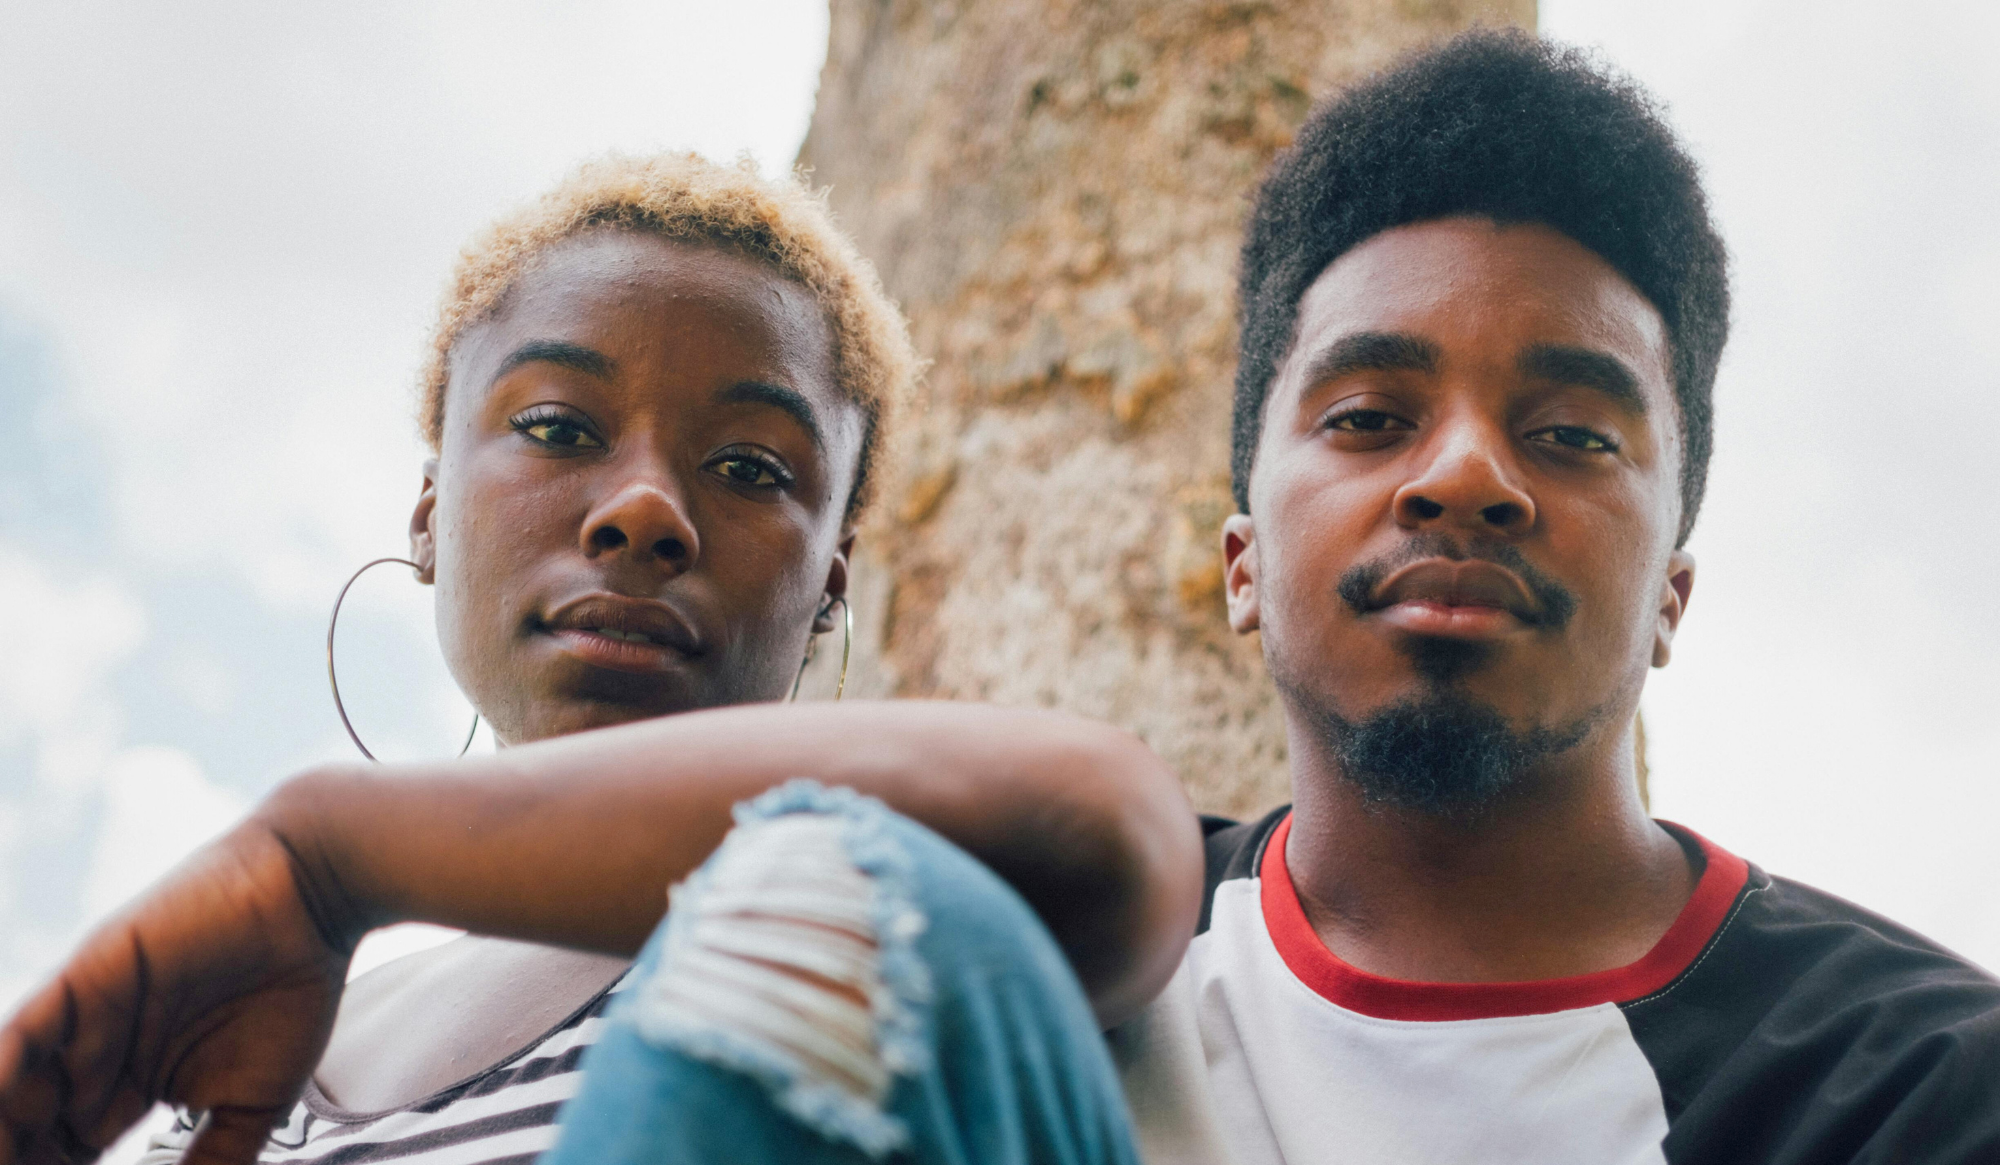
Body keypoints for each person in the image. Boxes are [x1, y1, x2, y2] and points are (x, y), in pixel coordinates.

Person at [0, 153, 1199, 1165]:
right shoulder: (238, 1060)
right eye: (556, 428)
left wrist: (327, 850)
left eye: (750, 468)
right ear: (429, 515)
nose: (643, 511)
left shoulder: (878, 917)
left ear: (830, 581)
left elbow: (1101, 828)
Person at [1107, 28, 2000, 1165]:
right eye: (1369, 418)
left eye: (1571, 434)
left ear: (1670, 593)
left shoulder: (1922, 1093)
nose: (1462, 476)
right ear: (1243, 564)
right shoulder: (1071, 960)